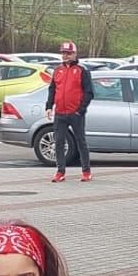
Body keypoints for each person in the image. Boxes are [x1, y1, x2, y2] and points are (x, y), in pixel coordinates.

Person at [44, 41, 94, 182]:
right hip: (60, 113)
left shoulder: (81, 70)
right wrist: (49, 106)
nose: (65, 56)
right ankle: (60, 171)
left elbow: (89, 92)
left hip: (75, 113)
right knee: (58, 142)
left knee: (81, 141)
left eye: (68, 53)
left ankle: (86, 171)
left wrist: (81, 110)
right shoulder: (57, 70)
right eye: (63, 53)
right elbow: (52, 90)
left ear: (74, 54)